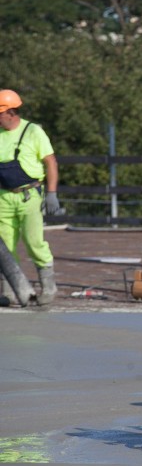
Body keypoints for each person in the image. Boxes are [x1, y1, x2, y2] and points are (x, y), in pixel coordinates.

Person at [0, 89, 61, 306]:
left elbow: (50, 162)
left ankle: (48, 287)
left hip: (29, 196)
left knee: (34, 242)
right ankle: (11, 291)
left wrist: (52, 194)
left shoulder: (32, 131)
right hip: (3, 197)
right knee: (5, 247)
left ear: (11, 112)